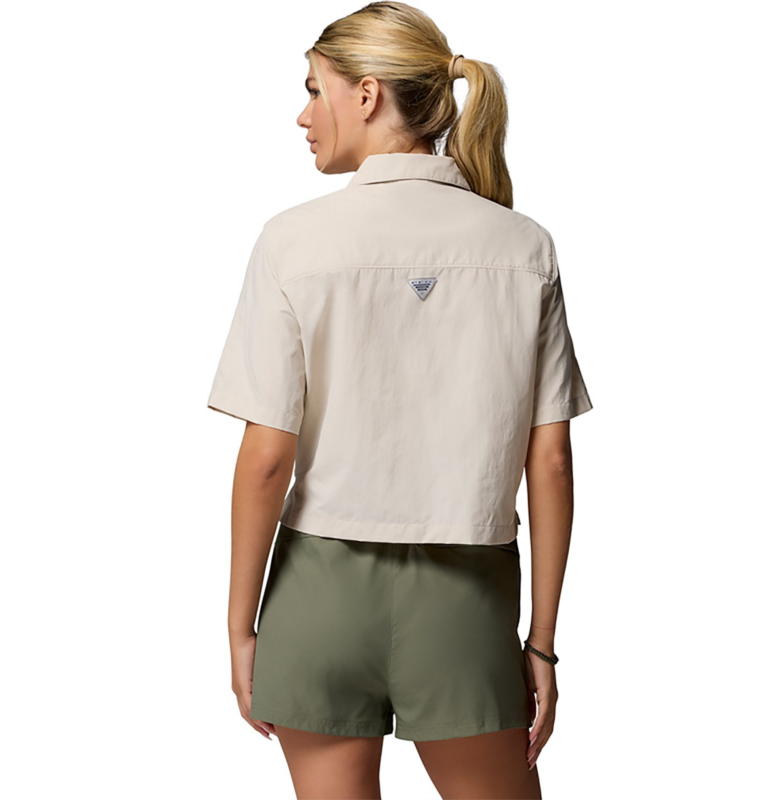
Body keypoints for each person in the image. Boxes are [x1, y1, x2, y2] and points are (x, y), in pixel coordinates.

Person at [207, 2, 592, 798]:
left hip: (315, 597)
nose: (303, 115)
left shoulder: (291, 241)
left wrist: (241, 629)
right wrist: (542, 644)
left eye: (313, 89)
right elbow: (551, 462)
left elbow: (267, 459)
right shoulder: (525, 247)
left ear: (367, 94)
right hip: (467, 602)